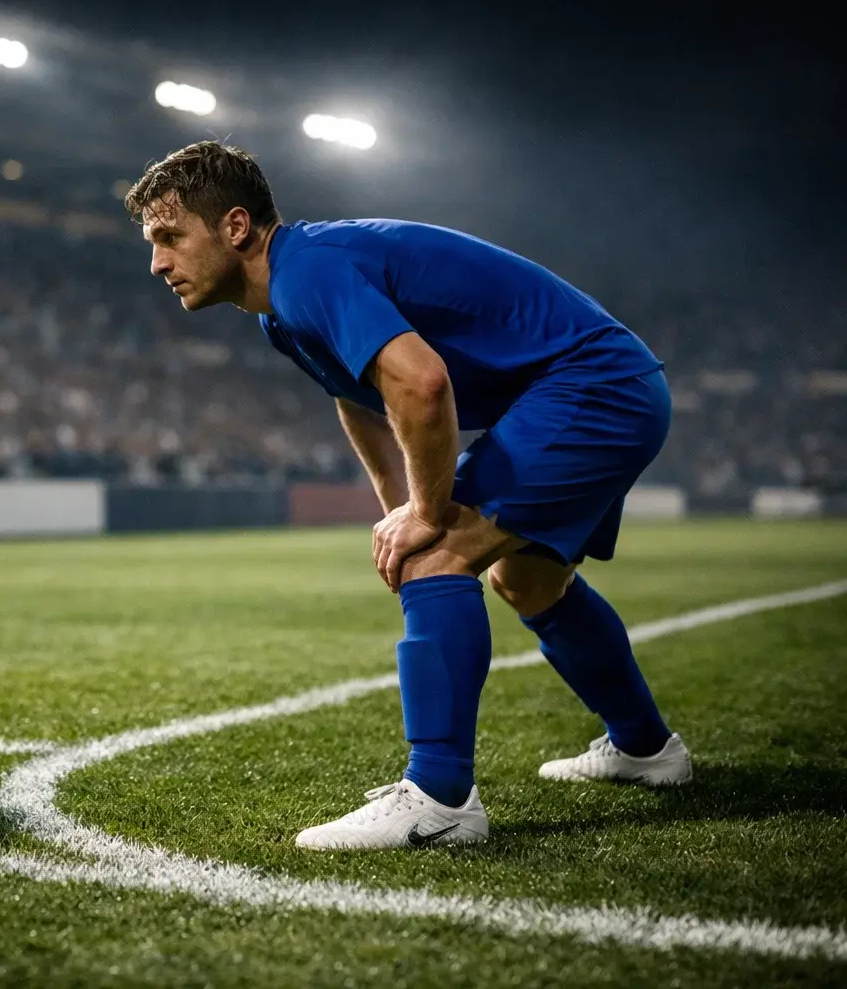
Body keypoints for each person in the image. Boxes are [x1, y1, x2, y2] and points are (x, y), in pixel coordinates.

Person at [124, 140, 691, 850]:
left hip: (595, 387)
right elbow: (358, 395)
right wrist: (401, 504)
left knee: (436, 556)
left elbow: (421, 383)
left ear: (235, 227)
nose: (158, 263)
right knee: (526, 580)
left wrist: (427, 517)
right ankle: (646, 748)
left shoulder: (306, 273)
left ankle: (439, 798)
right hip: (605, 384)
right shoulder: (281, 307)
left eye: (170, 236)